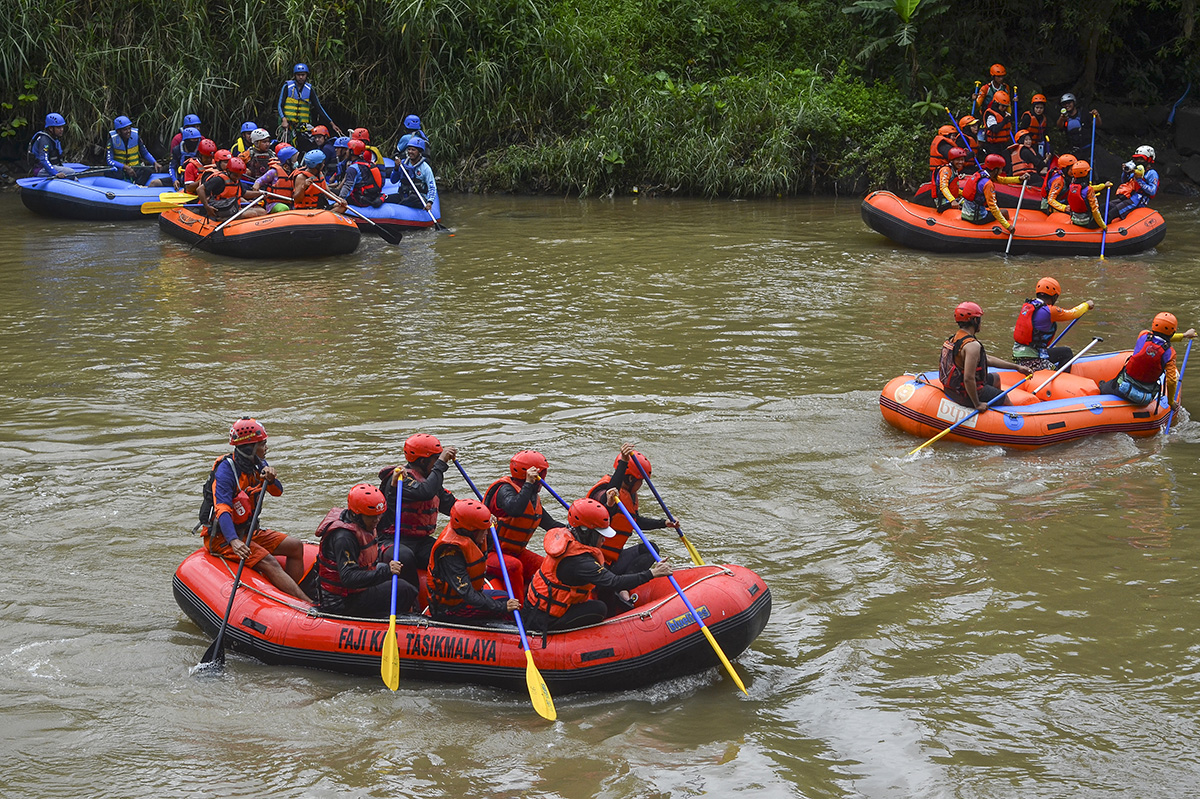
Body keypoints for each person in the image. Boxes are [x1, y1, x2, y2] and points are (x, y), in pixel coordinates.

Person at [198, 417, 312, 603]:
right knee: (270, 562)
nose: (266, 447)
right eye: (262, 443)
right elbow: (223, 509)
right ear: (249, 448)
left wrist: (272, 479)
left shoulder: (259, 464)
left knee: (295, 546)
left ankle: (295, 592)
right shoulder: (226, 471)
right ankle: (304, 603)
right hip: (222, 538)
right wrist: (233, 540)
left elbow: (278, 492)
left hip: (249, 531)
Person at [523, 496, 672, 632]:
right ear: (586, 531)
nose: (604, 540)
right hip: (544, 619)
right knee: (599, 608)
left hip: (536, 608)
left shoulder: (569, 537)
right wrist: (653, 573)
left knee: (601, 593)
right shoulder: (579, 562)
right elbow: (615, 582)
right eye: (600, 534)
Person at [314, 483, 415, 617]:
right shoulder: (344, 537)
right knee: (405, 589)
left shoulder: (366, 520)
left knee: (395, 573)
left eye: (379, 515)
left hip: (357, 590)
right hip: (341, 602)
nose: (377, 520)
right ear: (356, 515)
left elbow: (389, 518)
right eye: (372, 517)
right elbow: (349, 578)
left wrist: (393, 487)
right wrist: (386, 571)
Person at [586, 443, 678, 579]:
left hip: (613, 560)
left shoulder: (631, 496)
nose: (641, 485)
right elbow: (607, 502)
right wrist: (624, 461)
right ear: (630, 479)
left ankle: (627, 585)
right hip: (593, 561)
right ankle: (619, 588)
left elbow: (636, 521)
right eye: (640, 481)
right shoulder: (603, 492)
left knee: (650, 549)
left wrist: (664, 523)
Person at [377, 434, 457, 584]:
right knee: (405, 557)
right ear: (422, 461)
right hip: (392, 540)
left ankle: (447, 597)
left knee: (448, 554)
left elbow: (453, 506)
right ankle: (411, 600)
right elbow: (424, 492)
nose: (437, 465)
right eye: (435, 460)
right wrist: (441, 464)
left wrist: (481, 513)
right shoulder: (401, 477)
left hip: (421, 541)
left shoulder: (431, 483)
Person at [483, 450, 566, 593]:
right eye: (542, 475)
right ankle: (518, 609)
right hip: (489, 552)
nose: (543, 480)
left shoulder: (533, 499)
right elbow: (515, 508)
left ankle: (541, 603)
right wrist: (528, 484)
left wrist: (575, 530)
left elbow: (550, 525)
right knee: (514, 566)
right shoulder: (504, 490)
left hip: (515, 552)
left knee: (546, 565)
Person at [427, 499, 520, 624]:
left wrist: (488, 527)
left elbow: (485, 552)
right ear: (471, 530)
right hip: (450, 610)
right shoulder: (450, 554)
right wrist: (502, 607)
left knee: (505, 597)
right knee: (505, 605)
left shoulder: (469, 537)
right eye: (483, 530)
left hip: (466, 599)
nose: (486, 533)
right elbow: (468, 594)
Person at [939, 302, 1032, 411]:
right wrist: (977, 404)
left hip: (953, 388)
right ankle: (1009, 414)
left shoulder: (955, 338)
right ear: (974, 320)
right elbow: (969, 379)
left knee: (996, 378)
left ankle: (995, 406)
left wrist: (1017, 367)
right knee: (1004, 397)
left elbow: (986, 359)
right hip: (962, 393)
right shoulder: (972, 345)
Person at [1098, 313, 1198, 410]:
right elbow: (1171, 381)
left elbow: (1160, 337)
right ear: (1172, 332)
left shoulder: (1143, 334)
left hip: (1123, 389)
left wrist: (1183, 335)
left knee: (1103, 387)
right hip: (1144, 398)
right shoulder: (1170, 354)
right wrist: (1170, 402)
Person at [1012, 277, 1095, 371]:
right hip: (1032, 360)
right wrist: (1087, 305)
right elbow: (1073, 313)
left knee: (1062, 352)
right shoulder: (1050, 311)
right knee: (1066, 353)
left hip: (1018, 357)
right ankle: (1062, 380)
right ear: (1055, 296)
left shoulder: (1029, 305)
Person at [278, 63, 337, 150]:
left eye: (303, 75)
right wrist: (283, 119)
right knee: (286, 146)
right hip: (288, 125)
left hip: (303, 126)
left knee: (308, 143)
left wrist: (331, 123)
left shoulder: (309, 89)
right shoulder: (287, 87)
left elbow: (318, 107)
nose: (301, 77)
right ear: (295, 76)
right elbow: (280, 105)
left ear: (306, 75)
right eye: (298, 75)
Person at [960, 153, 1023, 231]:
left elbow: (1002, 180)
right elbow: (993, 207)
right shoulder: (988, 184)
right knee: (1004, 212)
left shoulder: (980, 173)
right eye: (1001, 169)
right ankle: (1015, 227)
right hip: (977, 218)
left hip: (966, 213)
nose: (1001, 171)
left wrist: (1019, 179)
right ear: (995, 170)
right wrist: (1007, 226)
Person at [195, 156, 265, 220]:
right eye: (235, 175)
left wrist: (261, 194)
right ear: (228, 171)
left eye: (239, 175)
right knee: (252, 214)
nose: (237, 177)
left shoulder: (236, 179)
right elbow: (199, 189)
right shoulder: (219, 180)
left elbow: (244, 193)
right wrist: (207, 207)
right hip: (221, 209)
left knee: (263, 212)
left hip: (233, 208)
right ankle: (221, 219)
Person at [106, 115, 161, 185]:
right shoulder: (111, 141)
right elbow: (109, 161)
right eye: (125, 129)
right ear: (118, 131)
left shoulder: (136, 137)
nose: (128, 131)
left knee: (147, 171)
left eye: (129, 128)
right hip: (120, 169)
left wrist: (154, 162)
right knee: (109, 173)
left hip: (134, 168)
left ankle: (137, 186)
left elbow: (145, 153)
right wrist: (125, 167)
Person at [387, 137, 436, 210]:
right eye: (409, 149)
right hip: (403, 195)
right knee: (384, 198)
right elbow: (393, 181)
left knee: (413, 198)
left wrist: (429, 202)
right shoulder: (403, 163)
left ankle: (402, 204)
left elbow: (432, 187)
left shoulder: (425, 168)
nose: (410, 152)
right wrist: (396, 168)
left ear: (419, 151)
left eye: (413, 150)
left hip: (418, 197)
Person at [1110, 145, 1159, 219]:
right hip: (1128, 197)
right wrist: (1125, 172)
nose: (1139, 161)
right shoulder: (1136, 170)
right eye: (1137, 159)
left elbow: (1152, 191)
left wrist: (1139, 180)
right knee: (1107, 206)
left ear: (1149, 159)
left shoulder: (1152, 173)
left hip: (1137, 201)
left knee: (1112, 213)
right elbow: (1124, 182)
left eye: (1141, 159)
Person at [339, 139, 385, 207]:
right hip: (372, 197)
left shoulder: (353, 168)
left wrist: (340, 199)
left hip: (361, 200)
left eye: (348, 150)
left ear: (352, 152)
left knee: (335, 192)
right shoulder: (367, 164)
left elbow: (348, 186)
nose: (346, 152)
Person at [1066, 161, 1111, 229]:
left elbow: (1087, 189)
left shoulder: (1072, 186)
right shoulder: (1088, 190)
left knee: (1103, 208)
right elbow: (1095, 210)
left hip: (1075, 219)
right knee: (1109, 214)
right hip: (1087, 221)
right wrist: (1103, 226)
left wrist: (1104, 185)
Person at [253, 144, 300, 210]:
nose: (296, 162)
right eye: (294, 159)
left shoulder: (296, 172)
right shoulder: (274, 172)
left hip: (290, 202)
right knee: (284, 208)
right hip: (274, 203)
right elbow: (260, 180)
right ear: (287, 162)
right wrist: (257, 185)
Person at [1057, 94, 1101, 160]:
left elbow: (1097, 124)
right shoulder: (1065, 117)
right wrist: (1061, 118)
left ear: (1074, 103)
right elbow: (1059, 126)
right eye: (1064, 104)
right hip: (1074, 150)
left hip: (1088, 149)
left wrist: (1097, 116)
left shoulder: (1084, 113)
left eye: (1069, 103)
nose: (1067, 105)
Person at [28, 113, 71, 177]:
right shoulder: (44, 140)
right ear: (51, 128)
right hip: (40, 169)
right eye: (59, 127)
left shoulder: (53, 138)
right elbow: (43, 159)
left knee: (72, 168)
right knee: (71, 172)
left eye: (62, 127)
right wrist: (55, 173)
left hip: (53, 165)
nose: (61, 129)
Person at [934, 147, 969, 212]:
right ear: (952, 160)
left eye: (962, 159)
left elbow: (953, 188)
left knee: (968, 204)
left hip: (953, 199)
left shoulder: (954, 170)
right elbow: (943, 187)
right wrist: (952, 200)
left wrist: (964, 194)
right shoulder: (946, 170)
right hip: (944, 201)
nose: (960, 162)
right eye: (958, 160)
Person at [981, 90, 1013, 158]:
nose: (1004, 108)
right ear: (996, 103)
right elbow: (995, 129)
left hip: (1003, 145)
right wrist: (1005, 121)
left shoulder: (1004, 114)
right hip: (993, 146)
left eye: (1005, 107)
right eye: (1002, 106)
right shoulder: (990, 114)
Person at [1019, 94, 1051, 160]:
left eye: (1041, 108)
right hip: (1028, 144)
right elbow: (1021, 131)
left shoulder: (1044, 118)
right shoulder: (1028, 117)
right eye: (1037, 107)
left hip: (1039, 144)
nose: (1039, 110)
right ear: (1033, 107)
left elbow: (1045, 133)